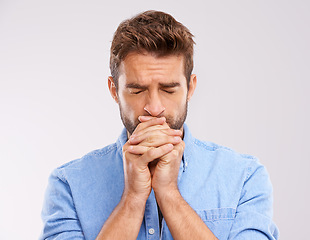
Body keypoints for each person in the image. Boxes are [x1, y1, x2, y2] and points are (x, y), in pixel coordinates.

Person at [40, 10, 279, 240]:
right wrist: (132, 199)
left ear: (190, 88)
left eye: (168, 89)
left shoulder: (245, 177)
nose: (154, 108)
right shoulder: (68, 185)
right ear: (114, 91)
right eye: (137, 90)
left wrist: (170, 195)